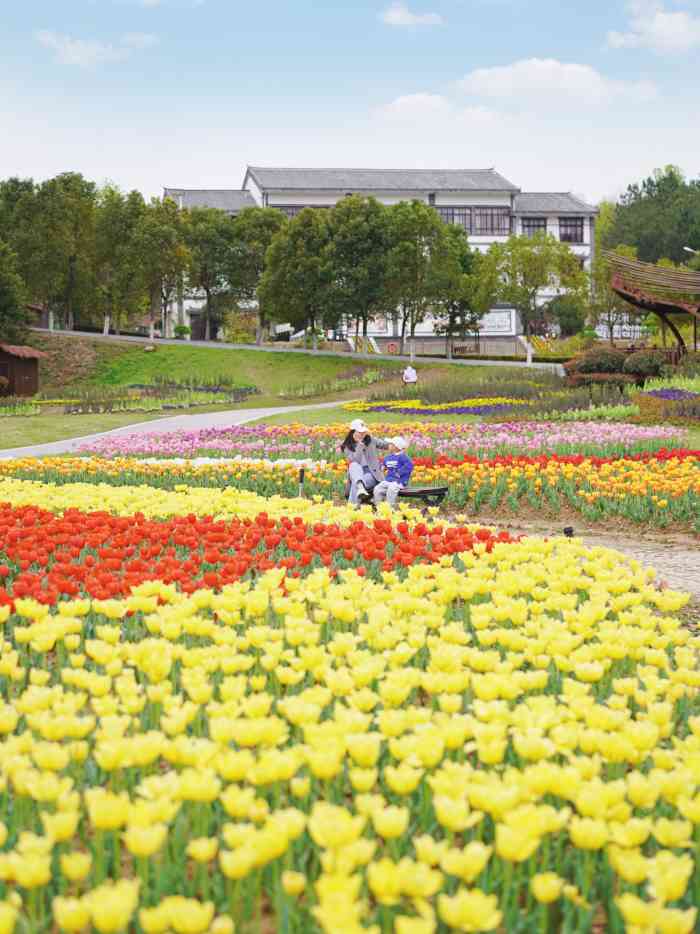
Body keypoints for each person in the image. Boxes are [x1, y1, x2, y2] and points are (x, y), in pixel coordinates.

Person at [341, 418, 389, 505]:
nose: (362, 434)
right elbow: (357, 460)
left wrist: (397, 442)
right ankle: (360, 489)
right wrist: (359, 446)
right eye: (360, 432)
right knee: (354, 465)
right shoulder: (347, 447)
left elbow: (386, 446)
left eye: (364, 432)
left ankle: (352, 508)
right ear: (352, 432)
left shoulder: (370, 440)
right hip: (356, 473)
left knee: (356, 485)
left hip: (372, 474)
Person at [373, 436, 413, 508]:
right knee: (377, 488)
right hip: (389, 480)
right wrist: (383, 467)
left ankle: (390, 507)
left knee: (391, 489)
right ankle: (378, 507)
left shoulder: (403, 457)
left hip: (399, 481)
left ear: (396, 447)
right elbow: (385, 463)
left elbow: (409, 466)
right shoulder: (388, 457)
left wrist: (399, 472)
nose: (388, 445)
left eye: (391, 444)